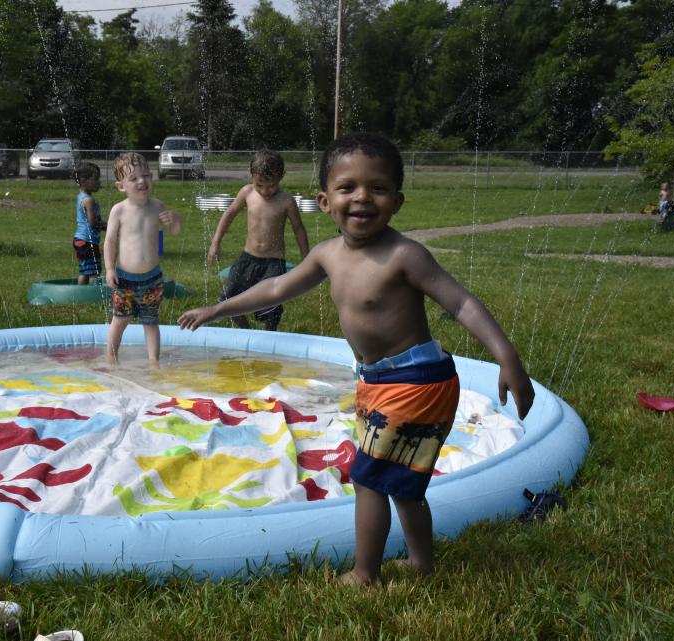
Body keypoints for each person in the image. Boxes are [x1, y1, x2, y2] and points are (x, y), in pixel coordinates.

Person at [179, 132, 534, 586]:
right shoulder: (328, 255)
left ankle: (365, 574)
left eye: (378, 188)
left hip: (417, 381)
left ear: (398, 201)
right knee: (403, 485)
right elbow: (273, 289)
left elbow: (460, 303)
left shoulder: (404, 255)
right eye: (348, 188)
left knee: (368, 479)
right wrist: (219, 308)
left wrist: (507, 357)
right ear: (325, 201)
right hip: (380, 381)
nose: (362, 197)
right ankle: (421, 564)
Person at [207, 149, 310, 331]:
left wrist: (306, 258)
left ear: (282, 176)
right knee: (227, 299)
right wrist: (215, 242)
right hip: (248, 258)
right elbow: (228, 215)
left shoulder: (286, 201)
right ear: (251, 174)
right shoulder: (247, 193)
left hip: (274, 262)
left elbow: (298, 229)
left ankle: (269, 336)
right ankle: (247, 333)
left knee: (271, 306)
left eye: (271, 185)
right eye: (259, 184)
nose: (266, 191)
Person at [104, 152, 182, 364]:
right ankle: (111, 358)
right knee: (120, 321)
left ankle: (153, 362)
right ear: (121, 186)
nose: (142, 181)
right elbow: (110, 241)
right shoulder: (119, 211)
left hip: (152, 279)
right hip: (124, 280)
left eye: (146, 175)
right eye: (134, 178)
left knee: (151, 322)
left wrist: (175, 218)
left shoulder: (157, 206)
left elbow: (175, 230)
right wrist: (110, 269)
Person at [72, 162, 106, 285]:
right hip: (87, 241)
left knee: (85, 270)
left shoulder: (81, 196)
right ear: (84, 181)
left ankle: (81, 294)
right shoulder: (88, 200)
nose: (99, 182)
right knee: (94, 272)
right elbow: (93, 223)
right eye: (96, 179)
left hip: (81, 240)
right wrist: (109, 226)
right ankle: (91, 296)